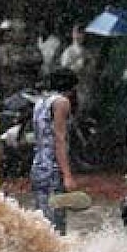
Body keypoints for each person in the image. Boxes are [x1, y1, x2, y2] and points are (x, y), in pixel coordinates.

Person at [30, 70, 79, 234]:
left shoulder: (40, 102)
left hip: (38, 165)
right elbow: (59, 139)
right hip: (53, 168)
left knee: (41, 218)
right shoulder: (61, 103)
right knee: (56, 224)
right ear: (71, 88)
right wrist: (67, 175)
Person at [0, 19, 44, 97]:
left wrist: (21, 61)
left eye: (24, 32)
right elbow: (7, 64)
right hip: (11, 89)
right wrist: (25, 63)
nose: (24, 35)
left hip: (29, 87)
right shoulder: (4, 48)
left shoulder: (31, 47)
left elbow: (38, 60)